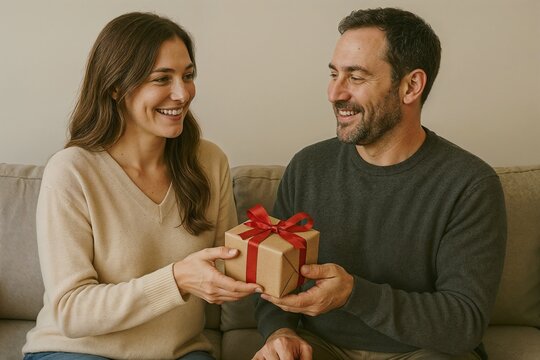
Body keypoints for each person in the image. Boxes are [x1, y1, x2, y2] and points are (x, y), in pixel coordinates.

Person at [253, 7, 506, 360]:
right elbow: (272, 277)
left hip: (421, 352)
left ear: (410, 86)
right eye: (334, 74)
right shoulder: (308, 166)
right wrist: (278, 332)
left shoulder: (470, 184)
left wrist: (354, 294)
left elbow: (464, 323)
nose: (334, 93)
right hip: (320, 348)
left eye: (355, 77)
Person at [22, 12, 262, 360]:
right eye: (162, 79)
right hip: (76, 351)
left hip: (179, 353)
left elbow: (228, 263)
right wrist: (177, 280)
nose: (182, 94)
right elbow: (71, 311)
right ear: (117, 86)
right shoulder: (72, 171)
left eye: (188, 76)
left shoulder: (209, 162)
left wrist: (277, 262)